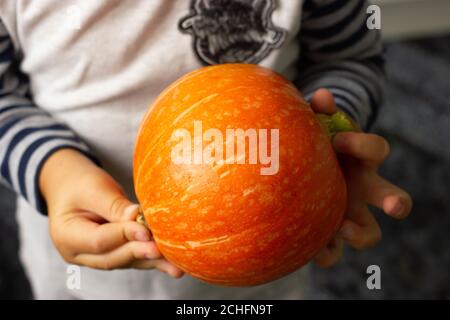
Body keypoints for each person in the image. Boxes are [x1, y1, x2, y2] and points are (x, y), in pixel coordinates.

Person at [0, 0, 412, 299]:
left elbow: (351, 59)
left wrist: (330, 147)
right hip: (79, 263)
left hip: (262, 264)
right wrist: (53, 172)